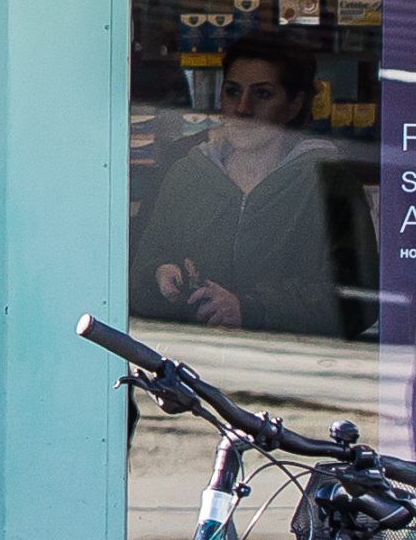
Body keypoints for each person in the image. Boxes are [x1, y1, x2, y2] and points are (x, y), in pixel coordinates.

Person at [131, 36, 376, 339]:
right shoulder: (186, 174)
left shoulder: (330, 183)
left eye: (263, 94)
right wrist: (160, 276)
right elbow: (133, 277)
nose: (243, 108)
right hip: (193, 368)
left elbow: (358, 302)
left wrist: (249, 309)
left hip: (288, 375)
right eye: (233, 91)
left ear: (294, 104)